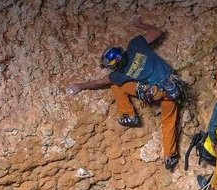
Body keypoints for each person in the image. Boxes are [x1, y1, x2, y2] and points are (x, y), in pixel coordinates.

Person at [67, 15, 182, 170]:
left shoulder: (118, 74)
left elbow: (99, 82)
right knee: (169, 122)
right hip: (173, 86)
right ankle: (170, 155)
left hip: (154, 92)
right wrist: (140, 24)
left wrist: (80, 86)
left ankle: (129, 114)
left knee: (116, 85)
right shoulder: (135, 45)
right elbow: (157, 32)